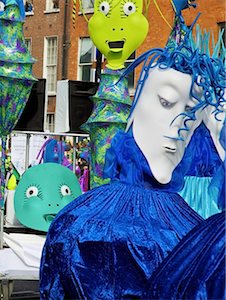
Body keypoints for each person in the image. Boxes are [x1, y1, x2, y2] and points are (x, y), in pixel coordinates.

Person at [39, 7, 224, 299]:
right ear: (136, 109)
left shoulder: (193, 233)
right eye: (166, 102)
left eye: (191, 114)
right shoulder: (80, 223)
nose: (178, 128)